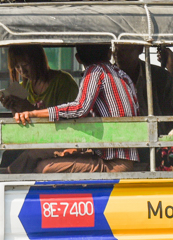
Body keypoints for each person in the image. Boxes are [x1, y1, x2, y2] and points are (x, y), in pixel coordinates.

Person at [11, 43, 140, 172]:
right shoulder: (121, 74)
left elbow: (79, 109)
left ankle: (11, 184)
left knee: (44, 167)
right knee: (35, 153)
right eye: (17, 66)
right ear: (109, 53)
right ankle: (9, 176)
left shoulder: (95, 71)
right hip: (110, 153)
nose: (21, 70)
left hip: (114, 162)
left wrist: (34, 114)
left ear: (78, 58)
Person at [0, 45, 79, 114]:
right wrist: (12, 107)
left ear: (38, 60)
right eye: (17, 67)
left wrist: (29, 109)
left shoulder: (63, 82)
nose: (22, 71)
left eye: (26, 64)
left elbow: (67, 121)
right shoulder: (22, 87)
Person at [113, 43, 173, 119]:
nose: (118, 54)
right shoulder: (108, 77)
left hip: (155, 129)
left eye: (124, 50)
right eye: (115, 50)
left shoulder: (161, 77)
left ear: (140, 49)